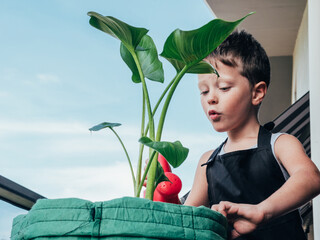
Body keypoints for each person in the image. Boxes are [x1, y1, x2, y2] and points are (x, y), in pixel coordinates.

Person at [184, 30, 320, 240]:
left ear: (257, 93)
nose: (211, 98)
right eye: (203, 91)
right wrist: (164, 192)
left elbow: (311, 178)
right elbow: (188, 219)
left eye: (223, 87)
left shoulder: (281, 144)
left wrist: (262, 211)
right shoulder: (207, 161)